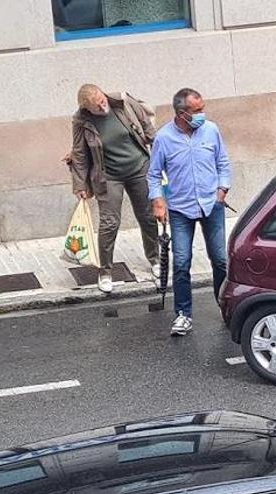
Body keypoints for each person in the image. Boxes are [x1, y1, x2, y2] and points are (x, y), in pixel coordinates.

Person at [148, 88, 231, 336]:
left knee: (220, 260)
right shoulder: (164, 138)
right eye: (197, 111)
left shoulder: (211, 130)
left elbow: (223, 162)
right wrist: (158, 201)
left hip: (211, 204)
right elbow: (154, 174)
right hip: (180, 209)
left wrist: (222, 189)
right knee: (182, 262)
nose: (202, 114)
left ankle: (226, 307)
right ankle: (183, 314)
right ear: (182, 113)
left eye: (202, 109)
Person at [65, 84, 158, 293]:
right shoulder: (81, 121)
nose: (102, 106)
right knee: (109, 223)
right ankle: (105, 271)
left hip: (139, 168)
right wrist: (80, 184)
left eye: (102, 100)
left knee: (147, 216)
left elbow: (147, 127)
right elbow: (79, 153)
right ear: (87, 108)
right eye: (97, 106)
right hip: (108, 176)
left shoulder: (123, 102)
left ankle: (155, 259)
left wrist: (161, 158)